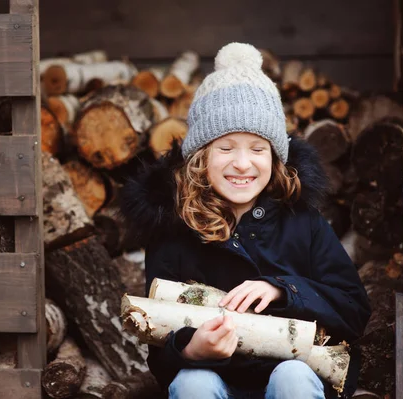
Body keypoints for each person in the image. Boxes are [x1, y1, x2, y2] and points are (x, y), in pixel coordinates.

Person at [121, 42, 371, 399]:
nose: (242, 163)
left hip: (297, 376)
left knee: (292, 377)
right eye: (226, 148)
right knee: (194, 382)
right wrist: (192, 350)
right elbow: (160, 347)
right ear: (200, 157)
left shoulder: (303, 222)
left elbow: (353, 309)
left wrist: (284, 289)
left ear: (275, 156)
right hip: (218, 380)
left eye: (257, 149)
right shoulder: (173, 232)